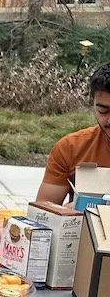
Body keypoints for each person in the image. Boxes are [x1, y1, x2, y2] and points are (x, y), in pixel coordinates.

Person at [36, 63, 110, 205]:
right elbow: (42, 211)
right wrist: (67, 212)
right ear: (93, 104)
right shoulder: (71, 148)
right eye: (103, 111)